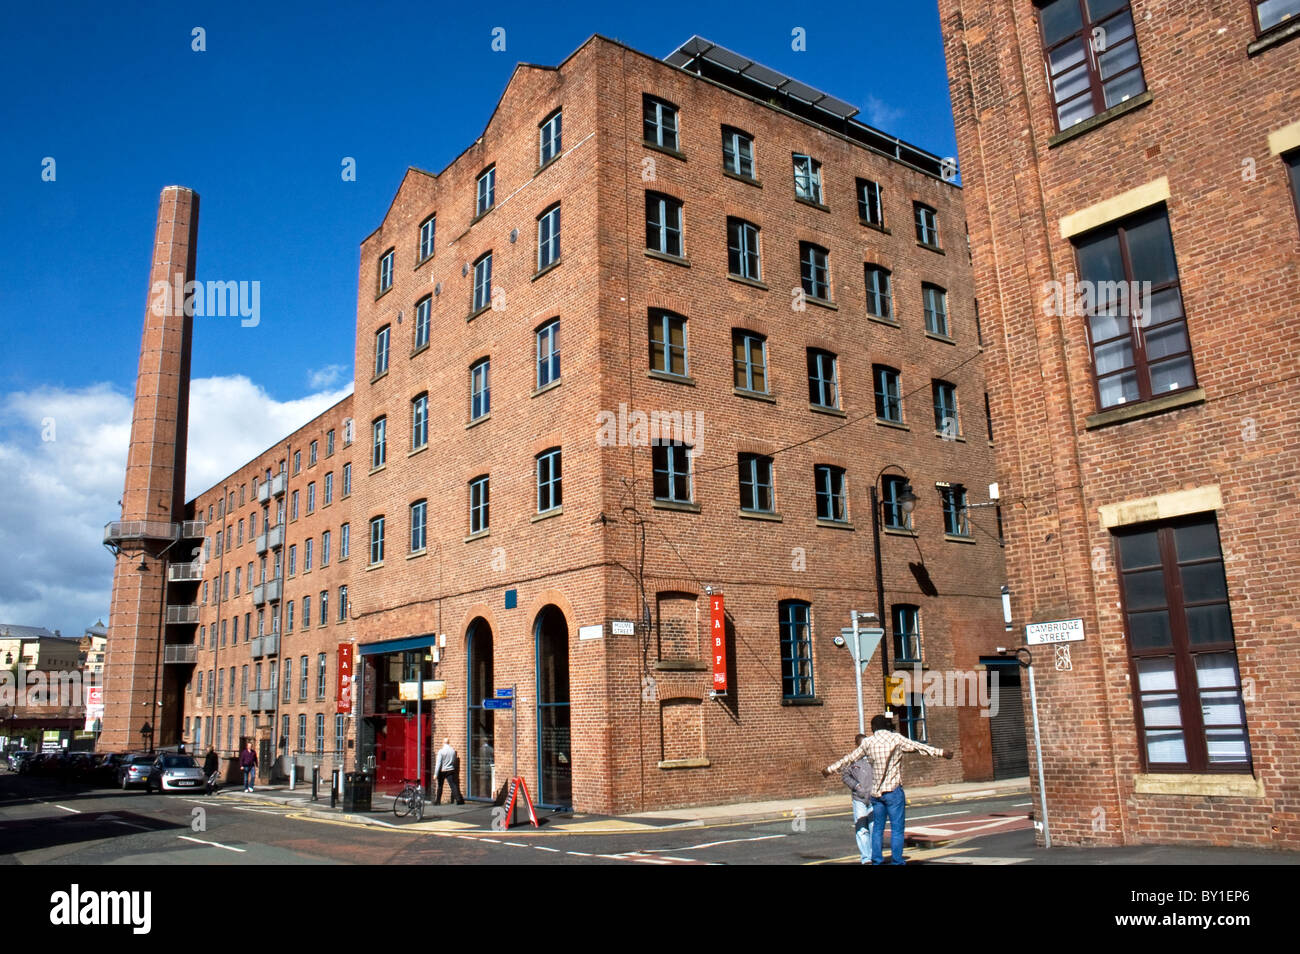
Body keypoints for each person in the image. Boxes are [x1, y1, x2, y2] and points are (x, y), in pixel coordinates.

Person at [823, 714, 953, 865]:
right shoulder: (896, 739)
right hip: (893, 791)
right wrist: (941, 752)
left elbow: (850, 758)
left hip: (876, 794)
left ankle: (877, 860)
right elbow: (919, 747)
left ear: (873, 728)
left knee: (877, 829)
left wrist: (829, 769)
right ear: (886, 726)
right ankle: (897, 861)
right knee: (897, 829)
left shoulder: (868, 742)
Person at [837, 733, 875, 865]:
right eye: (861, 744)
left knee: (874, 827)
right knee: (862, 829)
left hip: (874, 797)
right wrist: (856, 786)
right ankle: (866, 858)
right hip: (858, 798)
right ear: (857, 745)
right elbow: (845, 776)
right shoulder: (851, 760)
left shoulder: (873, 758)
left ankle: (874, 855)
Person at [434, 738, 464, 805]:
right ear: (449, 742)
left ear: (443, 742)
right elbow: (454, 760)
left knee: (440, 786)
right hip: (450, 770)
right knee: (453, 785)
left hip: (442, 770)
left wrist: (435, 773)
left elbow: (438, 763)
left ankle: (438, 801)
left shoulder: (441, 751)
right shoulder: (453, 751)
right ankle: (458, 799)